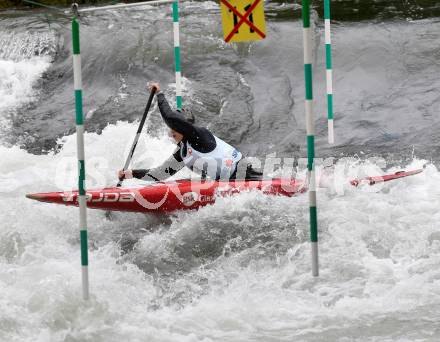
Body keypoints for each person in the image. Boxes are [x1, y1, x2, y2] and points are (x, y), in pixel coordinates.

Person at [118, 82, 262, 182]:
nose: (172, 130)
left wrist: (159, 94)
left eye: (177, 127)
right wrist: (131, 174)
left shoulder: (199, 136)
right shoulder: (183, 153)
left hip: (246, 174)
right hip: (227, 182)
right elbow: (160, 174)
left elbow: (170, 118)